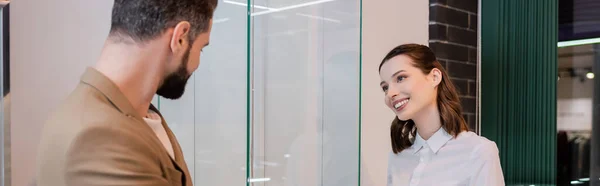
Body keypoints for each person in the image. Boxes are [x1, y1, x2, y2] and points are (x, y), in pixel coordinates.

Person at [35, 0, 217, 185]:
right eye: (201, 47)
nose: (197, 63)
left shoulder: (133, 115)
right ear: (180, 37)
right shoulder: (98, 137)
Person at [379, 44, 504, 186]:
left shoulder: (479, 152)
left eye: (400, 78)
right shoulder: (397, 158)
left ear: (434, 77)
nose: (390, 93)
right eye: (385, 87)